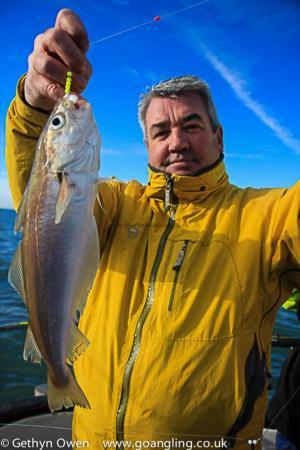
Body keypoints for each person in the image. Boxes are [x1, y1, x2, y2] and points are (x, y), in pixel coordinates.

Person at [5, 9, 300, 450]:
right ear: (146, 144)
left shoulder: (269, 215)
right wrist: (34, 104)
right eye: (161, 130)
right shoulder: (112, 204)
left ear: (220, 138)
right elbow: (38, 195)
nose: (176, 141)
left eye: (192, 126)